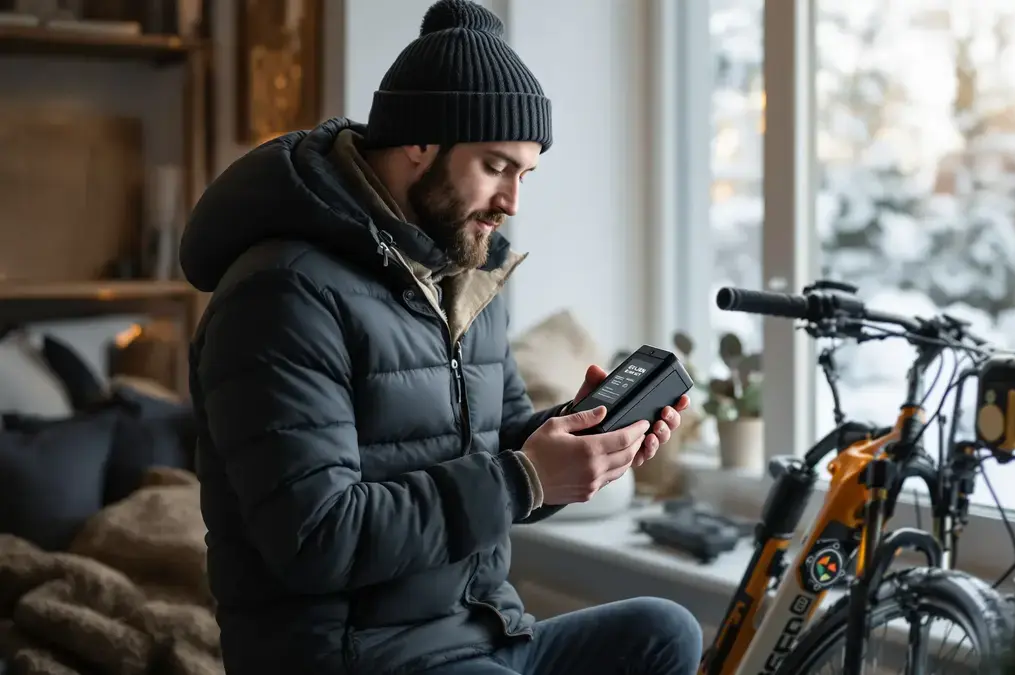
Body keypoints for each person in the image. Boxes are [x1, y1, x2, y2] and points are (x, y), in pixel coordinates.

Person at [179, 1, 704, 673]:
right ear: (418, 143)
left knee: (665, 632)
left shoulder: (465, 275)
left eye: (525, 173)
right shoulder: (281, 292)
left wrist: (579, 445)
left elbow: (495, 448)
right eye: (496, 166)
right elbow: (315, 538)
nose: (513, 201)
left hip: (479, 628)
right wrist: (526, 478)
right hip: (351, 655)